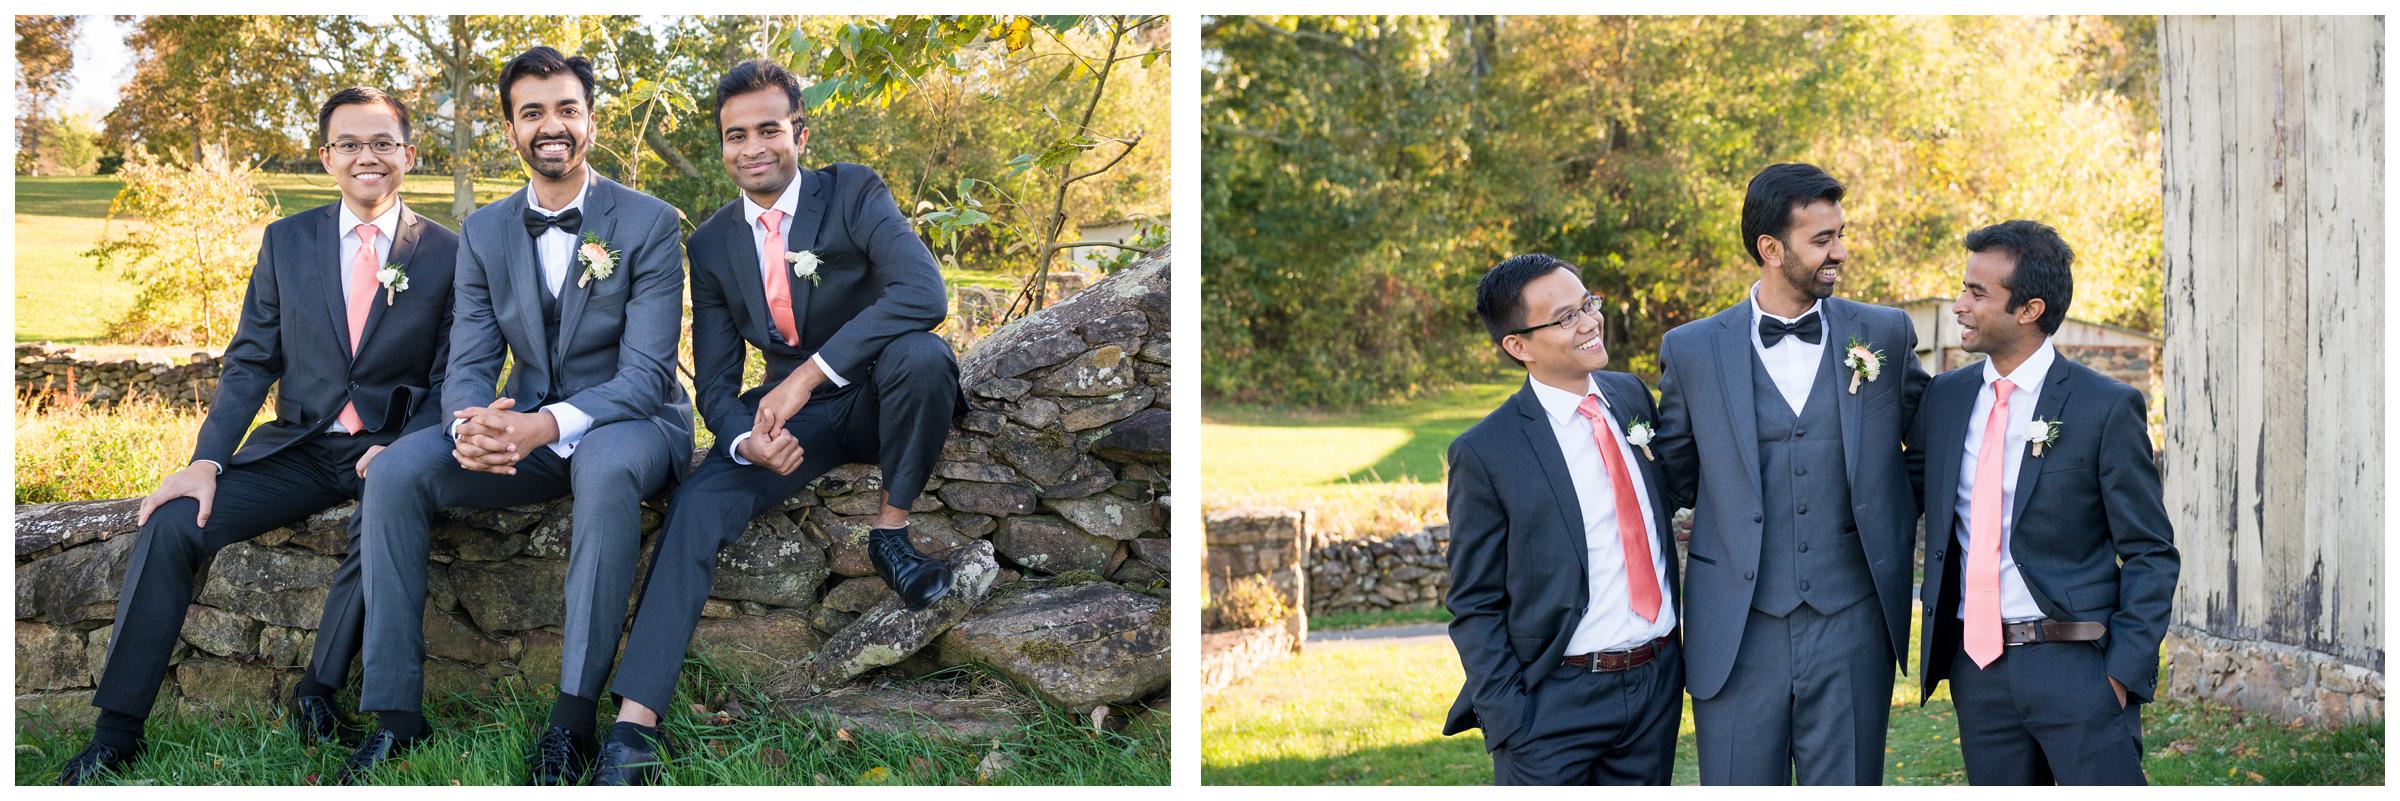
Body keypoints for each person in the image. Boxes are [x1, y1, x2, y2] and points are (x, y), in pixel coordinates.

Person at [56, 86, 460, 786]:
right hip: (298, 447)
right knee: (177, 520)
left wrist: (411, 441)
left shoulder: (452, 253)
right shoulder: (288, 241)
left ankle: (319, 692)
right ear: (327, 155)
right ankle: (116, 729)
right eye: (350, 144)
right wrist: (207, 458)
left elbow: (461, 372)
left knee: (388, 516)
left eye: (383, 143)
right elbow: (250, 361)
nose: (368, 156)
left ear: (409, 154)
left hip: (392, 450)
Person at [591, 58, 966, 785]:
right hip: (794, 425)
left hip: (880, 395)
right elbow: (719, 385)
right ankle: (635, 726)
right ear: (722, 145)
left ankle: (891, 533)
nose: (753, 147)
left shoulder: (853, 190)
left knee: (924, 357)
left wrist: (803, 376)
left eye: (769, 129)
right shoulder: (708, 245)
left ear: (799, 130)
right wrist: (742, 436)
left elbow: (924, 292)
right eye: (736, 135)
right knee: (698, 500)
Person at [339, 46, 693, 785]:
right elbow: (470, 356)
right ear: (511, 131)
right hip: (521, 430)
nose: (551, 125)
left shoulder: (652, 223)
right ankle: (397, 714)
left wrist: (546, 423)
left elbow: (647, 375)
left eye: (566, 108)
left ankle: (571, 721)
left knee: (599, 462)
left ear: (590, 121)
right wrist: (472, 424)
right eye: (532, 112)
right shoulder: (486, 231)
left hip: (636, 424)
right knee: (399, 470)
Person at [1650, 163, 1930, 784]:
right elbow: (1673, 475)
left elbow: (1926, 451)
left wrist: (1888, 516)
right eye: (1822, 240)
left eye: (1840, 234)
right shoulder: (1692, 350)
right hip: (1737, 626)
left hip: (1852, 621)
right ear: (1771, 250)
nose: (1841, 252)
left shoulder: (1883, 332)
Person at [1908, 220, 2177, 785]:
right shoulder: (1945, 399)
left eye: (1978, 293)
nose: (1959, 305)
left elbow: (2151, 551)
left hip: (2077, 666)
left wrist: (2122, 672)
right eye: (1964, 288)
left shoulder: (2104, 407)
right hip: (1977, 671)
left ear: (2029, 309)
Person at [1442, 254, 1683, 785]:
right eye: (1565, 317)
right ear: (1518, 345)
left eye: (1588, 304)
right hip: (1554, 703)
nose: (1590, 321)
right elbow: (1473, 601)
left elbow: (1642, 506)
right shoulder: (1485, 452)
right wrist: (1511, 719)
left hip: (1656, 684)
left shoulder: (1630, 395)